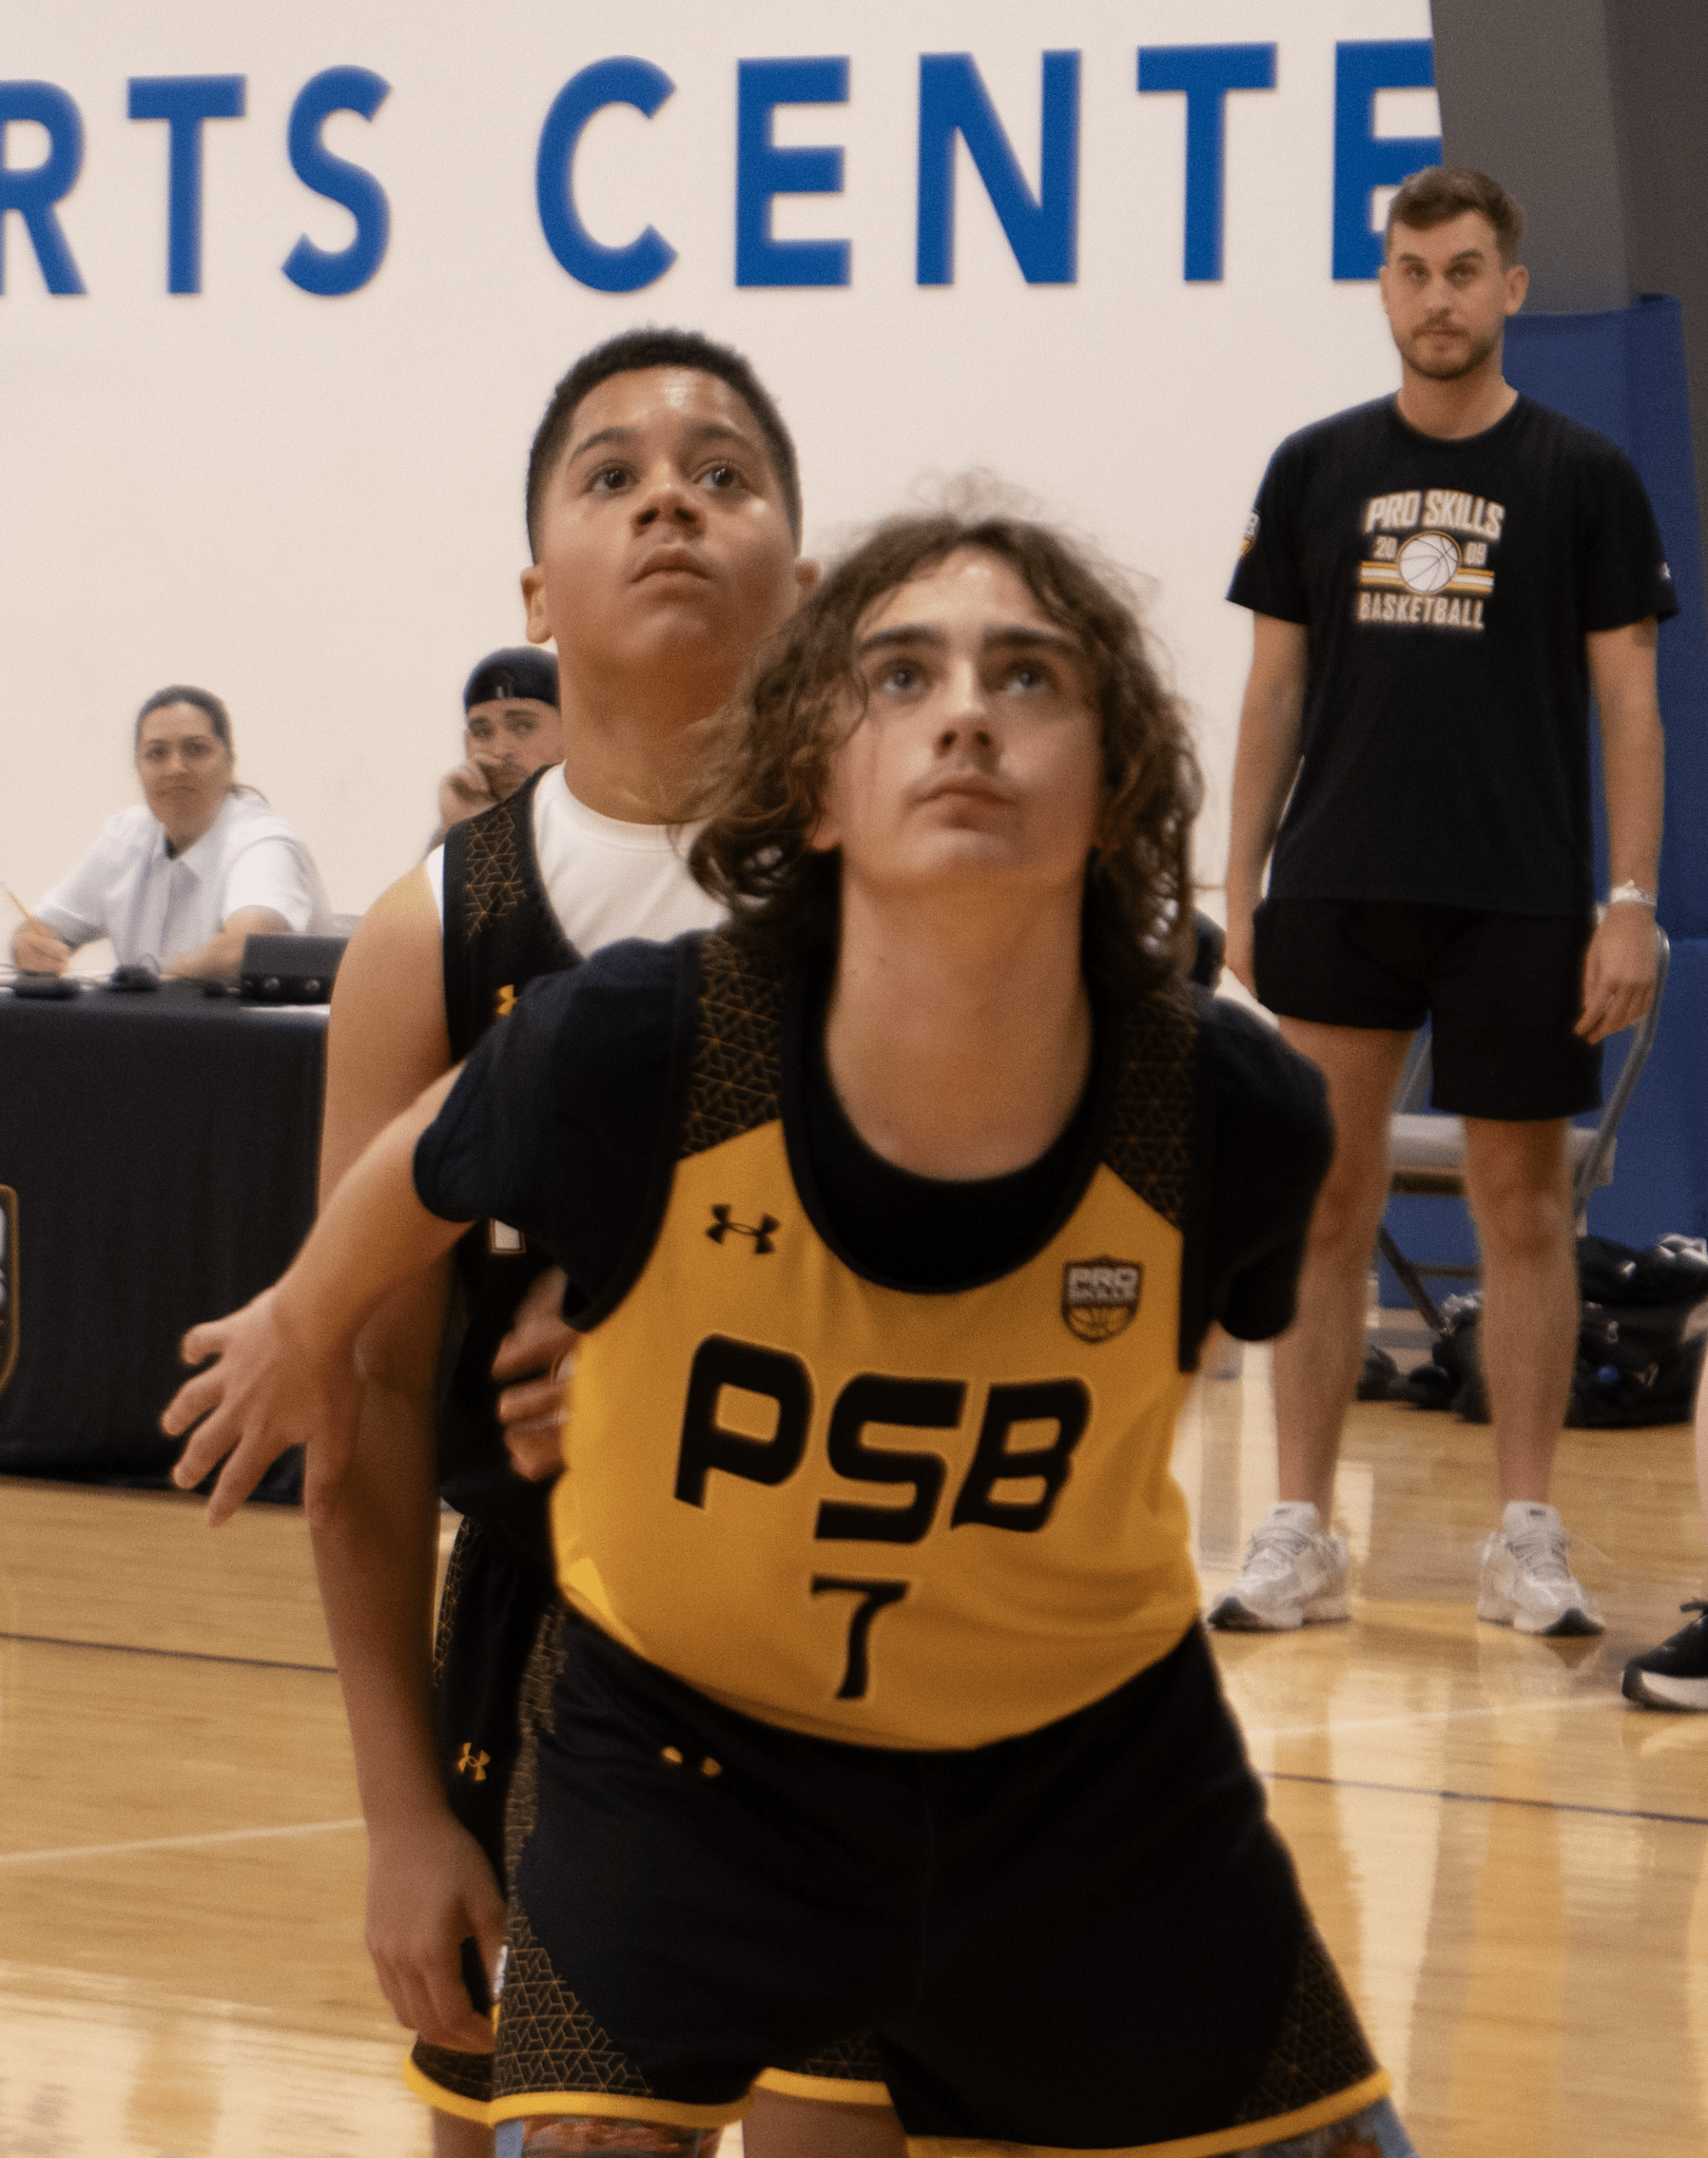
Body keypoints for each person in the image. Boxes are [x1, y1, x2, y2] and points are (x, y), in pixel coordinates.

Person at [165, 507, 1418, 2157]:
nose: (965, 709)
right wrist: (300, 1315)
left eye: (1026, 673)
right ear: (814, 782)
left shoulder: (1223, 1110)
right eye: (904, 673)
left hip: (1080, 1772)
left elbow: (1257, 1270)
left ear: (1111, 781)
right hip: (690, 1750)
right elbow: (440, 1136)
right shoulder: (646, 1040)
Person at [170, 331, 892, 2158]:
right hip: (547, 1649)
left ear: (800, 582)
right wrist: (401, 1815)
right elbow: (371, 1404)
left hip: (861, 1639)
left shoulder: (898, 883)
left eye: (724, 471)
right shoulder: (431, 938)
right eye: (613, 472)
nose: (669, 493)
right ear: (536, 589)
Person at [1212, 164, 1673, 1640]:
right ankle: (1297, 1530)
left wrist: (1628, 899)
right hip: (1339, 881)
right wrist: (1239, 884)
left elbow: (1634, 712)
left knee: (1523, 1208)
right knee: (1326, 1201)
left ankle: (1524, 1537)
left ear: (1511, 289)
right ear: (1386, 288)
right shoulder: (1312, 468)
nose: (1438, 297)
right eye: (1413, 271)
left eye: (1465, 269)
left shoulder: (1583, 476)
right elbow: (1272, 692)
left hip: (1520, 894)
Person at [12, 684, 331, 980]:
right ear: (138, 767)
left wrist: (148, 985)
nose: (175, 768)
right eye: (156, 753)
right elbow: (40, 928)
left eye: (195, 749)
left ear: (229, 763)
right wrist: (29, 945)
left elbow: (243, 951)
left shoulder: (264, 842)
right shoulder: (124, 837)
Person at [433, 647, 564, 841]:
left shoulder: (611, 827)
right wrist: (467, 832)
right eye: (482, 732)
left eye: (523, 726)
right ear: (468, 745)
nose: (500, 750)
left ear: (572, 732)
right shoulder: (453, 835)